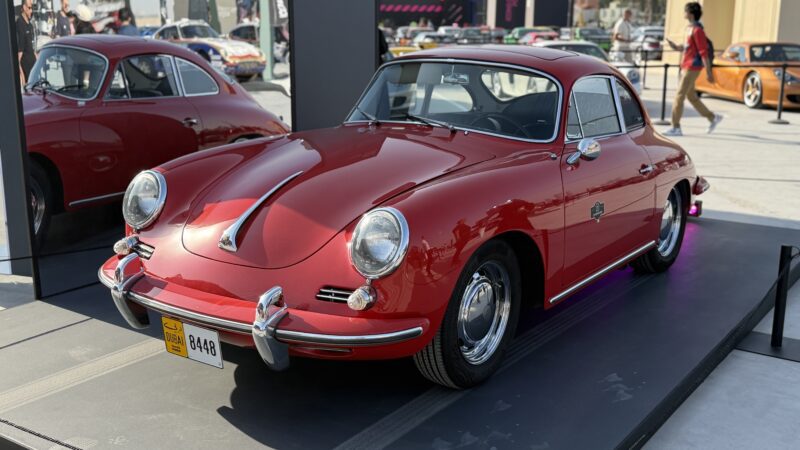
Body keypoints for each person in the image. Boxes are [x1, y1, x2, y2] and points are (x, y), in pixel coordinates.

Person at [663, 2, 722, 136]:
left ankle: (676, 127)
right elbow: (686, 48)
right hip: (686, 66)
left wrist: (709, 72)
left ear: (690, 14)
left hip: (692, 67)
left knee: (679, 96)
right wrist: (675, 47)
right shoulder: (688, 29)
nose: (684, 13)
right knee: (691, 97)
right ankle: (712, 117)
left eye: (685, 11)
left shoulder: (698, 31)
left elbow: (703, 52)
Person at [16, 0, 37, 87]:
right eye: (29, 8)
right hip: (26, 70)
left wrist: (39, 63)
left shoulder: (30, 25)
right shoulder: (19, 24)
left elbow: (32, 48)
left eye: (32, 8)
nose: (31, 10)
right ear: (24, 7)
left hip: (33, 69)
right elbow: (18, 57)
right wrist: (23, 77)